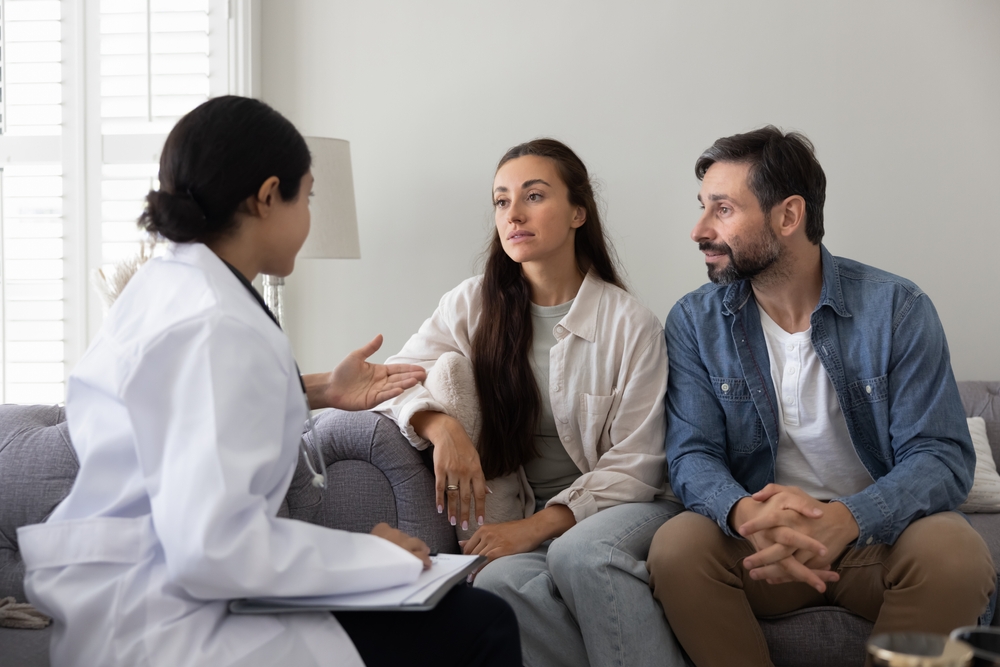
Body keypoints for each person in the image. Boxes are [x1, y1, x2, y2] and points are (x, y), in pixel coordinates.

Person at [16, 96, 521, 667]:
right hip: (173, 622)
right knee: (481, 623)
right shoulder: (219, 322)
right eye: (305, 198)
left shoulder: (165, 289)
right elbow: (213, 549)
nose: (307, 218)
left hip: (125, 598)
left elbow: (189, 405)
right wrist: (372, 557)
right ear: (266, 196)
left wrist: (324, 390)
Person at [646, 126, 995, 666]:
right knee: (677, 546)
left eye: (722, 210)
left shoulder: (897, 309)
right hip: (760, 547)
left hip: (877, 542)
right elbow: (693, 454)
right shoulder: (694, 321)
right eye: (702, 208)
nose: (699, 230)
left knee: (955, 554)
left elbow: (941, 457)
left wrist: (849, 520)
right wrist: (742, 514)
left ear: (788, 217)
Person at [374, 138, 686, 667]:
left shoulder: (630, 324)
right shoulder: (471, 303)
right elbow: (396, 378)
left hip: (629, 508)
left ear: (578, 213)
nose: (513, 214)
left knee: (580, 553)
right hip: (527, 512)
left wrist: (534, 529)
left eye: (533, 196)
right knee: (493, 584)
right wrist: (441, 427)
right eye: (500, 201)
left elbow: (637, 467)